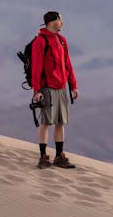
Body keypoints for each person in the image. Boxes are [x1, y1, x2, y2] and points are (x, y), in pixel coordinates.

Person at [31, 11, 79, 169]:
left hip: (61, 87)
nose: (62, 23)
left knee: (60, 122)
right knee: (46, 122)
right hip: (47, 88)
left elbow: (68, 64)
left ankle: (59, 156)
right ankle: (43, 157)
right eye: (60, 20)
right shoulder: (40, 41)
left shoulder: (62, 40)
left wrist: (73, 85)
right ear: (52, 22)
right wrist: (36, 90)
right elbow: (36, 67)